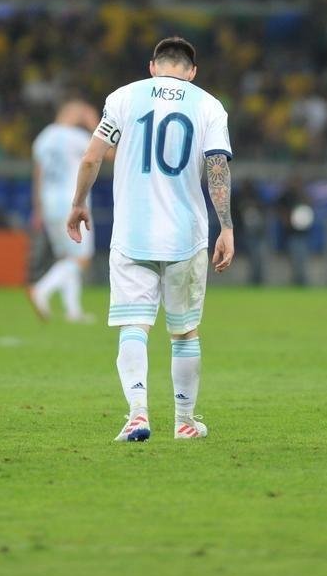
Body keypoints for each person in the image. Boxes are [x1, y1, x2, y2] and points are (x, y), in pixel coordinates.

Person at [67, 36, 234, 442]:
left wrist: (78, 203)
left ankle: (137, 416)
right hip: (186, 235)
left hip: (132, 233)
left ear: (152, 66)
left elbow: (91, 156)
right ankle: (184, 421)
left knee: (133, 326)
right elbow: (217, 167)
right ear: (192, 72)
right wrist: (226, 225)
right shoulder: (209, 105)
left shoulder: (123, 98)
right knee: (184, 331)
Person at [27, 100, 101, 324]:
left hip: (49, 202)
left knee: (67, 257)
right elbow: (107, 153)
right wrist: (94, 124)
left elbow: (38, 176)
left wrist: (38, 208)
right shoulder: (76, 137)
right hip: (72, 202)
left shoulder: (43, 138)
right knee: (82, 258)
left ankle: (73, 311)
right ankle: (41, 289)